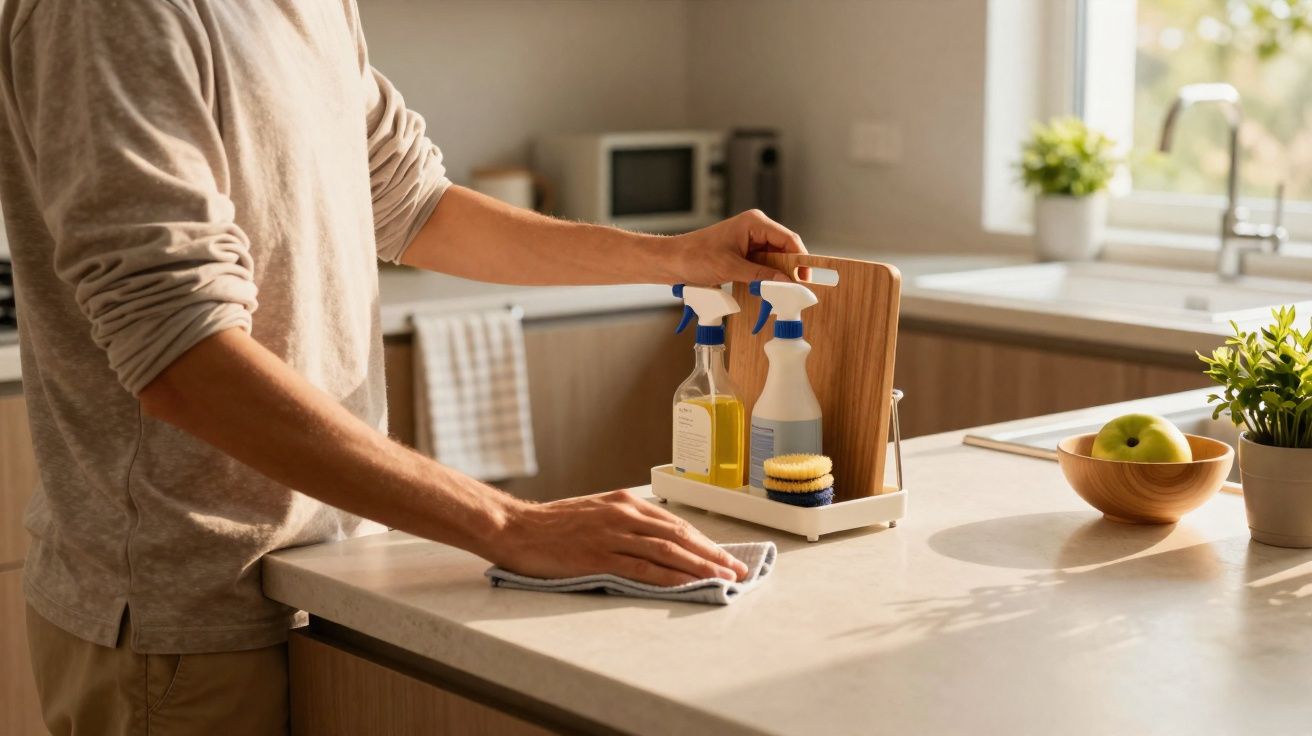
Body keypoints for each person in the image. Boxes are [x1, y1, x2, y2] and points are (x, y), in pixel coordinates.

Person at [0, 1, 807, 734]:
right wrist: (512, 526)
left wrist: (677, 257)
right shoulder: (108, 13)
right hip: (187, 617)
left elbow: (418, 205)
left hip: (335, 578)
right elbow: (182, 355)